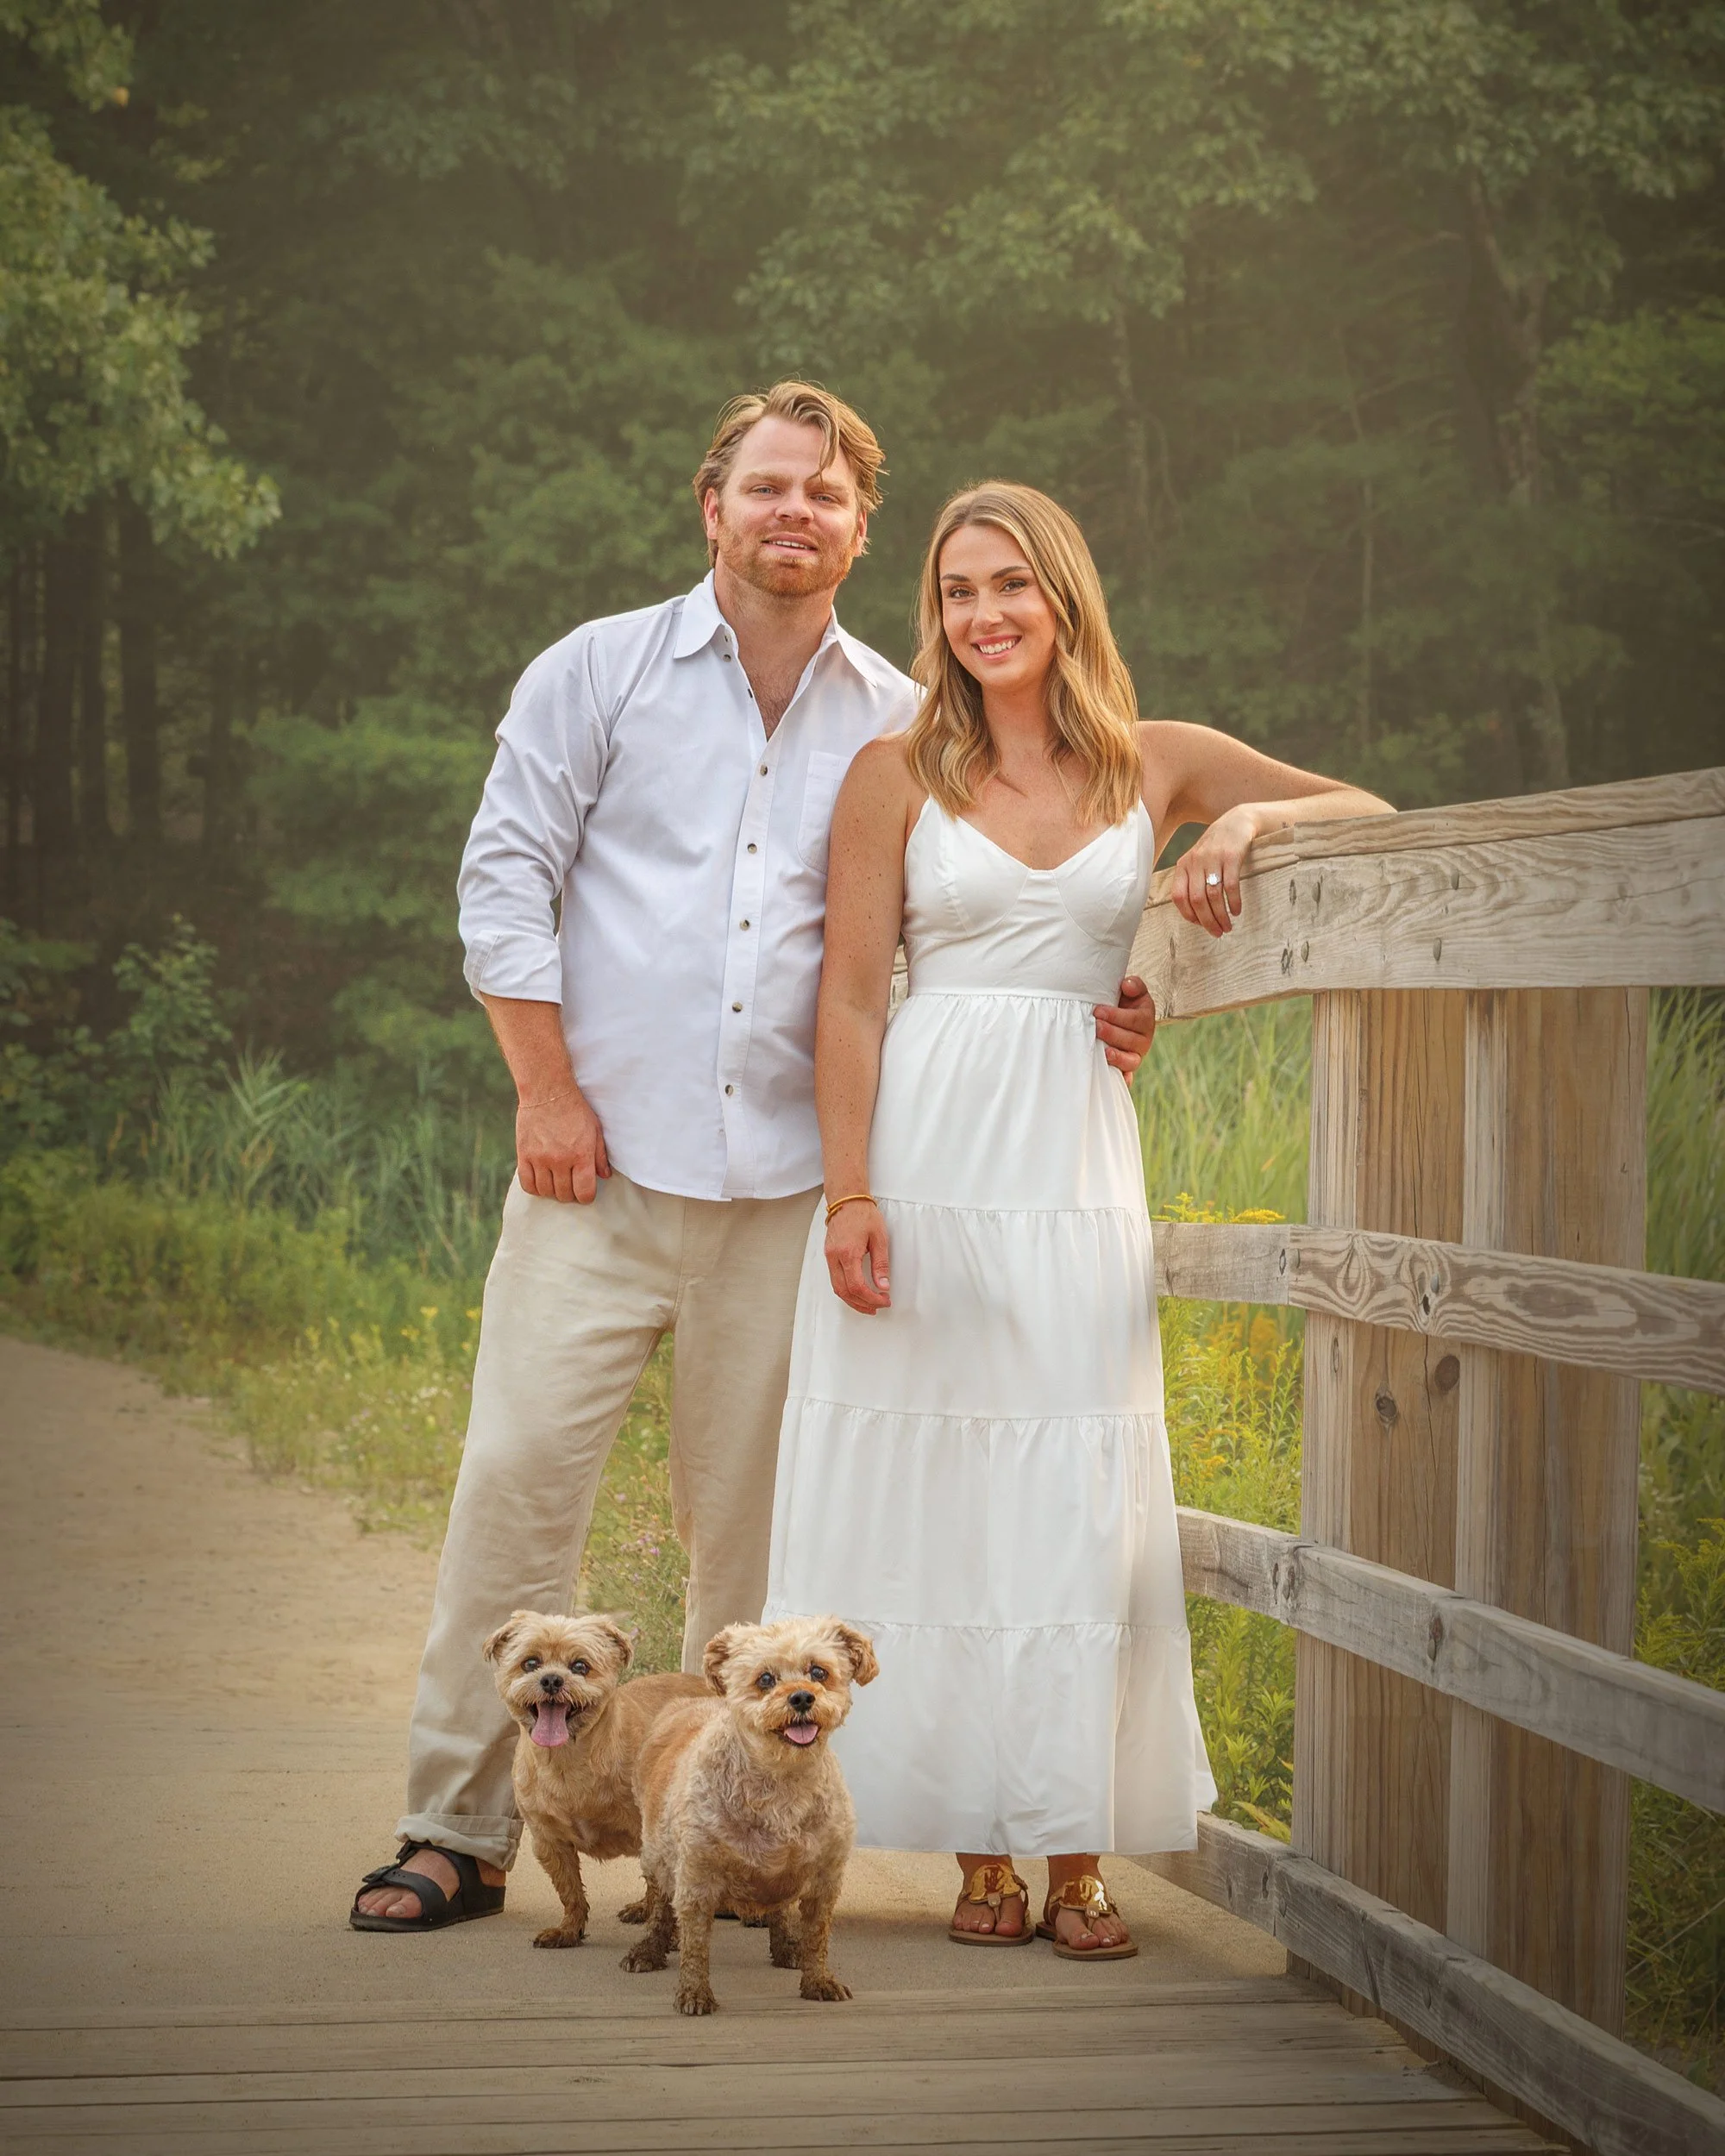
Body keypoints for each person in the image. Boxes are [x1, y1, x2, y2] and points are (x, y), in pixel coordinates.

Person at [350, 394, 1161, 1928]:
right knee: (518, 1494)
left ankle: (713, 1851)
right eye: (767, 486)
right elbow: (504, 877)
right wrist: (544, 1089)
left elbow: (948, 942)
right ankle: (456, 1831)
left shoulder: (902, 718)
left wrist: (1118, 997)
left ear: (862, 529)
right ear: (710, 506)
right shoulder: (597, 672)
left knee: (751, 1552)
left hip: (790, 1194)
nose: (797, 510)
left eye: (829, 493)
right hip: (595, 1168)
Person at [763, 481, 1393, 1957]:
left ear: (1064, 600)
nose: (983, 615)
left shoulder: (1151, 760)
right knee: (945, 1494)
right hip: (924, 1154)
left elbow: (1365, 809)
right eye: (957, 590)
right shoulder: (892, 771)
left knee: (1073, 1486)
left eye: (1011, 587)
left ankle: (1077, 1851)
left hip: (1070, 1154)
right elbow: (851, 997)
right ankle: (981, 1848)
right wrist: (849, 1193)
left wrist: (1231, 828)